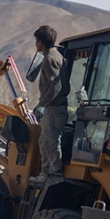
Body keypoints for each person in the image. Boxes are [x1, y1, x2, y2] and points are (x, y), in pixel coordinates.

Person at [31, 25, 68, 181]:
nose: (35, 44)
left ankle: (53, 174)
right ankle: (45, 173)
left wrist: (42, 104)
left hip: (53, 109)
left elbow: (56, 85)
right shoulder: (56, 55)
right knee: (43, 140)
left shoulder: (50, 59)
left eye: (36, 41)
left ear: (40, 42)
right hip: (54, 108)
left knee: (51, 141)